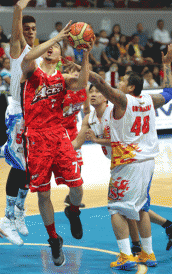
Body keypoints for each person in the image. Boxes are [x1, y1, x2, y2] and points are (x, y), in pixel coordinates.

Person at [64, 44, 172, 269]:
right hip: (148, 162)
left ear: (131, 87)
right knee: (140, 207)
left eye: (123, 80)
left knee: (116, 208)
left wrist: (83, 67)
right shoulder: (149, 101)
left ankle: (126, 256)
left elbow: (102, 84)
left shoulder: (124, 101)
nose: (119, 83)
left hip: (128, 163)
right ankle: (148, 254)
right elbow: (169, 92)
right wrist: (167, 65)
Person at [20, 21, 93, 267]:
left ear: (62, 56)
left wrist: (86, 55)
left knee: (77, 187)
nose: (51, 50)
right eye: (48, 47)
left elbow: (82, 82)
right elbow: (29, 55)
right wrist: (56, 37)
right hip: (36, 137)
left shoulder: (63, 78)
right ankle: (53, 239)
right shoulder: (32, 71)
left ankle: (73, 210)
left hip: (58, 134)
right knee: (43, 193)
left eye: (56, 48)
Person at [73, 83, 172, 254]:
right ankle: (159, 232)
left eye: (98, 91)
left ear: (106, 96)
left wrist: (97, 141)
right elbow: (76, 143)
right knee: (134, 207)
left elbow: (124, 140)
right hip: (120, 162)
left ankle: (138, 249)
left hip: (133, 161)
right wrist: (54, 152)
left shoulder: (116, 112)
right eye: (91, 92)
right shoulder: (89, 118)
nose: (94, 94)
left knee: (124, 207)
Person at [0, 0, 41, 247]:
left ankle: (20, 212)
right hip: (17, 112)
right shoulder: (18, 48)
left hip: (33, 113)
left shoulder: (37, 51)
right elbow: (16, 16)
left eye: (34, 28)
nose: (30, 31)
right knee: (19, 166)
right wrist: (25, 1)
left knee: (31, 167)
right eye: (26, 28)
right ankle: (7, 218)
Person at [62, 82, 89, 208]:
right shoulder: (62, 90)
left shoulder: (84, 89)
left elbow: (87, 110)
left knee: (77, 163)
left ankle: (72, 195)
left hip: (73, 131)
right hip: (58, 131)